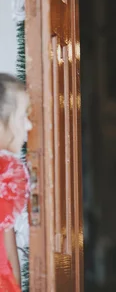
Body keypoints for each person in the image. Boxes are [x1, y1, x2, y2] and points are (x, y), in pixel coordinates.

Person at [0, 74, 31, 292]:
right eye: (22, 117)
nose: (28, 125)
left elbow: (9, 253)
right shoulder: (6, 175)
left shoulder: (5, 174)